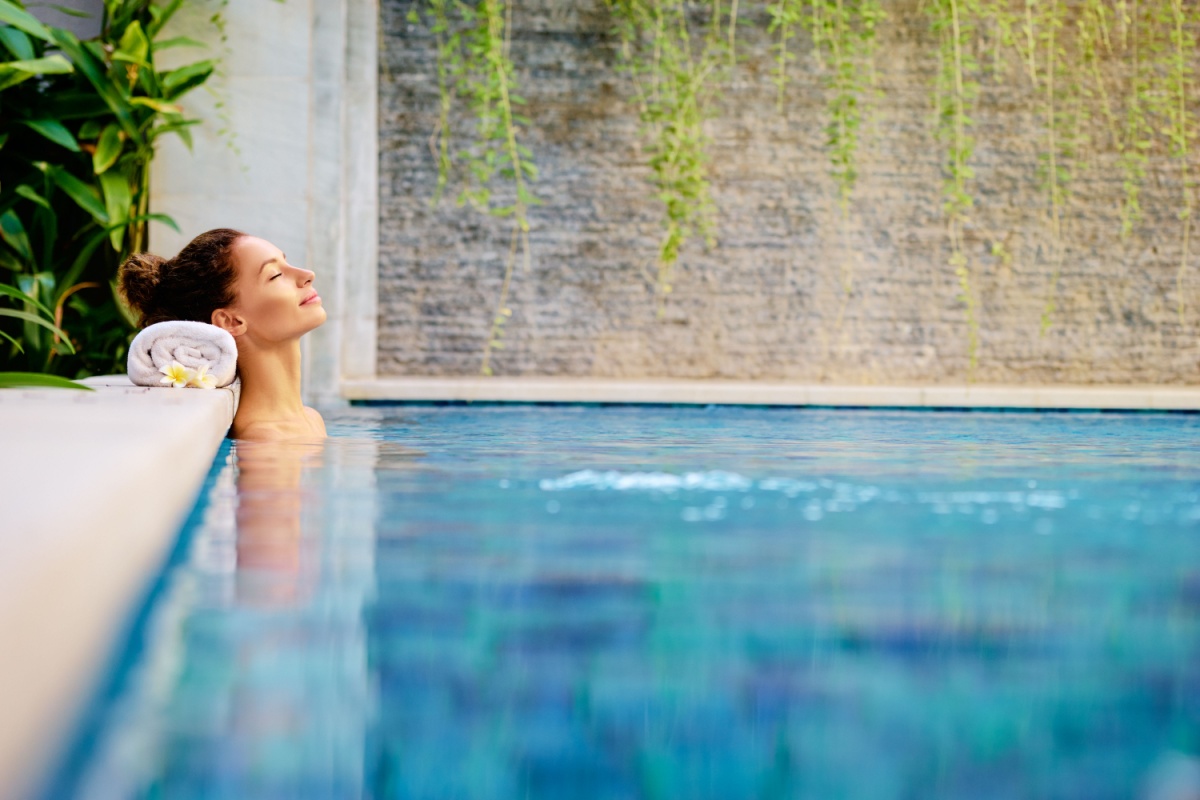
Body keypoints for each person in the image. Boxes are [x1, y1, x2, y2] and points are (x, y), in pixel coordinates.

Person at [119, 228, 328, 441]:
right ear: (232, 321)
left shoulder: (312, 420)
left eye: (286, 262)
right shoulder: (264, 437)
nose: (307, 275)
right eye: (275, 275)